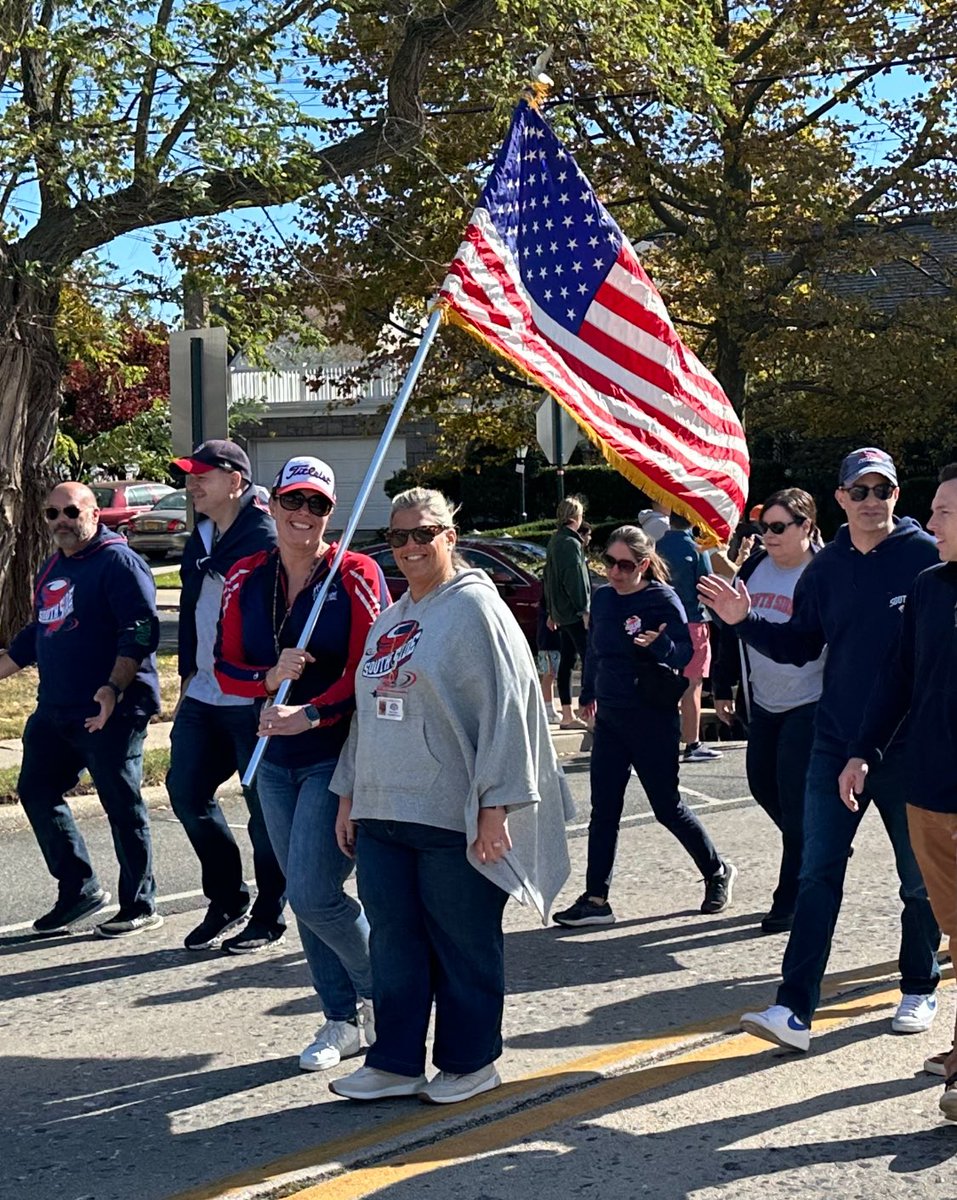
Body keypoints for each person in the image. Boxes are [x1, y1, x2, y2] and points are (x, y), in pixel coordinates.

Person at [327, 487, 572, 1105]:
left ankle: (471, 1061)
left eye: (423, 533)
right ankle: (396, 1061)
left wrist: (496, 806)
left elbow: (511, 711)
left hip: (451, 812)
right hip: (385, 809)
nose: (409, 546)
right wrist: (349, 794)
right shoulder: (394, 613)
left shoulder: (476, 612)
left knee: (462, 942)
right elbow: (365, 712)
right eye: (398, 536)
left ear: (449, 537)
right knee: (394, 942)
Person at [700, 447, 941, 1052]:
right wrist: (740, 621)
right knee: (816, 876)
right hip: (835, 745)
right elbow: (801, 646)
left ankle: (919, 984)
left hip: (906, 750)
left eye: (880, 490)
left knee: (918, 881)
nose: (870, 501)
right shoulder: (826, 569)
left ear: (895, 496)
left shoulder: (924, 559)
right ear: (838, 499)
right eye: (857, 491)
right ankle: (795, 1008)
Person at [214, 455, 388, 1071]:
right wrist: (267, 680)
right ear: (273, 503)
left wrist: (309, 713)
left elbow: (371, 670)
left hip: (332, 757)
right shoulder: (245, 575)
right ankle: (341, 1019)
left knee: (315, 895)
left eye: (317, 504)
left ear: (330, 513)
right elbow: (223, 666)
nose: (303, 515)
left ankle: (385, 996)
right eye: (293, 501)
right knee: (302, 894)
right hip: (270, 758)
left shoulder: (357, 573)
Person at [838, 463, 957, 1121]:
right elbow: (896, 680)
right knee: (954, 930)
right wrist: (863, 751)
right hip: (928, 794)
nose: (930, 522)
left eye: (943, 511)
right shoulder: (928, 588)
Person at [553, 525, 736, 928]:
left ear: (644, 565)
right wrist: (587, 694)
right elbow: (596, 650)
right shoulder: (602, 599)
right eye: (609, 563)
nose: (615, 572)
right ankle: (596, 899)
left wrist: (661, 647)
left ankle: (716, 871)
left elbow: (685, 654)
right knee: (604, 810)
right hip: (612, 717)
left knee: (667, 807)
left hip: (652, 716)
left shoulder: (661, 599)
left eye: (625, 565)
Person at [0, 482, 162, 937]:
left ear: (94, 514)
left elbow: (140, 631)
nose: (61, 522)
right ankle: (79, 889)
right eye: (52, 514)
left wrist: (112, 687)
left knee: (120, 803)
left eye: (71, 511)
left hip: (111, 710)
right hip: (56, 710)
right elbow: (39, 631)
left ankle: (140, 903)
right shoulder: (53, 565)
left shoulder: (119, 562)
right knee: (35, 790)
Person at [166, 439, 287, 953]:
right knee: (186, 792)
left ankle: (269, 913)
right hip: (204, 693)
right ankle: (227, 898)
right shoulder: (203, 533)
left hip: (251, 694)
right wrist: (187, 673)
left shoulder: (266, 534)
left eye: (203, 475)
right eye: (190, 475)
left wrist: (273, 686)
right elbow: (193, 604)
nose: (193, 483)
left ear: (236, 480)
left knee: (264, 810)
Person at [711, 489, 824, 934]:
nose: (768, 536)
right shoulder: (755, 567)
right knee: (761, 785)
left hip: (810, 699)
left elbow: (809, 644)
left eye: (779, 527)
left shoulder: (820, 573)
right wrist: (723, 685)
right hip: (763, 699)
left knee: (794, 800)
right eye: (763, 528)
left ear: (807, 528)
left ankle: (790, 897)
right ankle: (818, 843)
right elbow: (730, 625)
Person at [657, 512, 722, 762]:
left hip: (664, 624)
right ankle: (692, 742)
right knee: (693, 684)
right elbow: (706, 586)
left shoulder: (657, 546)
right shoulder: (696, 549)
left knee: (665, 683)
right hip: (693, 621)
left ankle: (665, 738)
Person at [543, 496, 591, 730]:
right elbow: (575, 579)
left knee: (567, 661)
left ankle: (567, 714)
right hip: (573, 612)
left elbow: (549, 578)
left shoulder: (555, 541)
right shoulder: (571, 543)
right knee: (589, 658)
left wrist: (552, 611)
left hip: (560, 612)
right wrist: (584, 609)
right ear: (576, 517)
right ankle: (588, 710)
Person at [536, 596, 562, 724]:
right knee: (548, 675)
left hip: (554, 643)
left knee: (552, 675)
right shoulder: (546, 610)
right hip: (547, 644)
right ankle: (546, 707)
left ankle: (549, 707)